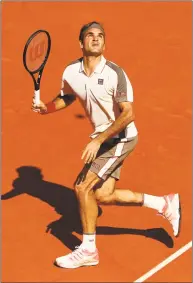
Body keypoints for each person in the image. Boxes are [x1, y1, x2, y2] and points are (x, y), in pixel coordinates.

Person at [32, 21, 181, 269]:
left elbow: (127, 115)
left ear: (104, 43)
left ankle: (89, 250)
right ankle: (164, 204)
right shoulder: (71, 72)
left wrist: (98, 140)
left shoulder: (115, 74)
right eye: (90, 35)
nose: (95, 38)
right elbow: (67, 97)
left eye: (100, 36)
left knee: (82, 188)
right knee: (102, 195)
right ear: (81, 43)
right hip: (104, 138)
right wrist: (45, 108)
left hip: (121, 137)